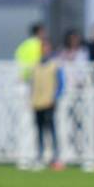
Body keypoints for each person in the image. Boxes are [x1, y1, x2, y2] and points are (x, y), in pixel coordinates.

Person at [30, 39, 64, 170]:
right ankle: (40, 155)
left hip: (49, 101)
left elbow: (60, 84)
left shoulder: (55, 65)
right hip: (37, 101)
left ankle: (55, 156)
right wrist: (31, 98)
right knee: (39, 129)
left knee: (51, 129)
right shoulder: (35, 66)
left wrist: (55, 97)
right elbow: (32, 84)